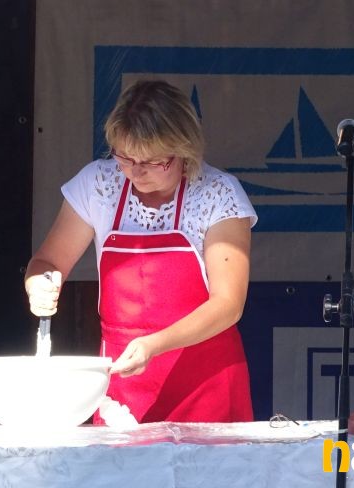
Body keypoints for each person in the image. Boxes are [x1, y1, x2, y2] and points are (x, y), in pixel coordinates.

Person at [24, 79, 256, 424]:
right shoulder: (98, 184)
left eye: (152, 161)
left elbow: (228, 304)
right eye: (125, 157)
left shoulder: (218, 193)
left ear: (184, 149)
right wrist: (38, 284)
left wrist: (154, 345)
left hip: (206, 388)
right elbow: (48, 261)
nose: (136, 171)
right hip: (123, 387)